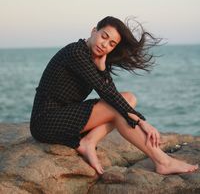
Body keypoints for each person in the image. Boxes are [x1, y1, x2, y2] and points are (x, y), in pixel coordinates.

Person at [30, 16, 198, 175]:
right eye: (104, 36)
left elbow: (110, 91)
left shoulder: (95, 59)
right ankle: (163, 161)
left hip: (64, 116)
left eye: (111, 44)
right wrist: (142, 121)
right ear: (93, 30)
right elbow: (107, 93)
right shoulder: (76, 52)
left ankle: (89, 142)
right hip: (45, 121)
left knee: (129, 99)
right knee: (118, 108)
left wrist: (103, 69)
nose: (105, 45)